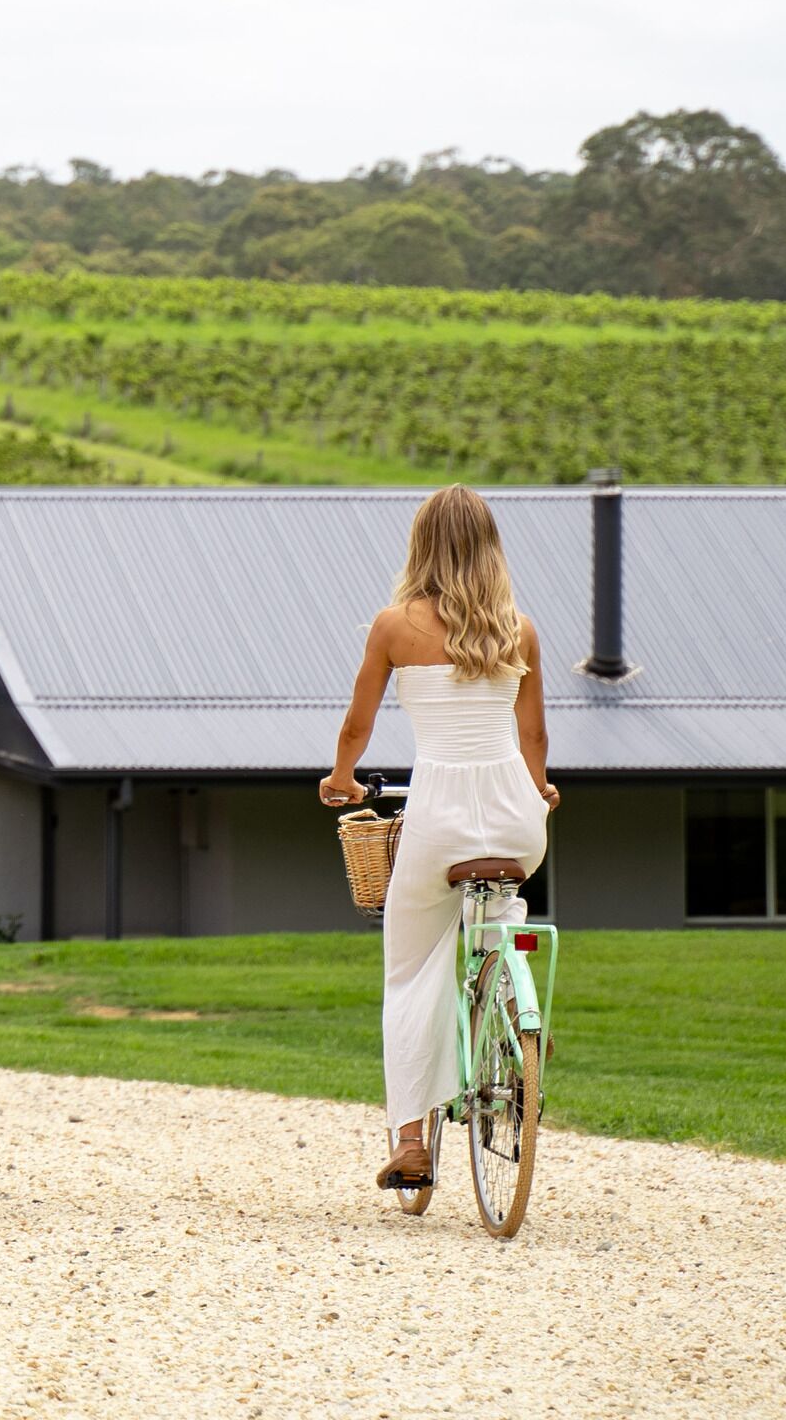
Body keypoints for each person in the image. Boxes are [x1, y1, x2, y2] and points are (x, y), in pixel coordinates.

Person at [316, 483, 558, 1196]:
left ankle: (413, 1137)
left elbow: (356, 728)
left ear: (421, 544)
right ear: (491, 546)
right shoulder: (520, 629)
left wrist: (342, 777)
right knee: (500, 910)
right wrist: (540, 791)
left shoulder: (394, 626)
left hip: (440, 812)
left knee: (413, 965)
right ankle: (509, 1009)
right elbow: (534, 736)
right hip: (516, 812)